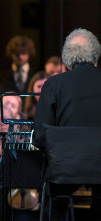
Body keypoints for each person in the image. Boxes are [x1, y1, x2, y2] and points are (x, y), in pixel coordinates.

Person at [33, 28, 101, 220]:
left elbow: (39, 137)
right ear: (96, 55)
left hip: (63, 178)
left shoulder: (53, 85)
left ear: (67, 59)